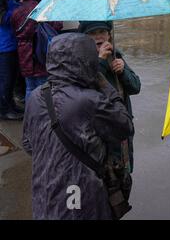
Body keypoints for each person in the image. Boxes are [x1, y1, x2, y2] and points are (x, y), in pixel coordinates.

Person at [23, 33, 134, 219]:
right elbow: (125, 126)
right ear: (86, 60)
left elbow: (28, 143)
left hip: (45, 194)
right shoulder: (88, 100)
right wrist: (106, 86)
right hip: (82, 198)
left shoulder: (35, 96)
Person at [78, 21, 141, 173]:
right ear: (85, 38)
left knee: (124, 170)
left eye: (102, 32)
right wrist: (100, 61)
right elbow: (86, 89)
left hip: (122, 126)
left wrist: (123, 71)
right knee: (104, 173)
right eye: (93, 33)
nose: (98, 36)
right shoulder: (82, 61)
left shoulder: (116, 56)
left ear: (109, 35)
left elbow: (135, 87)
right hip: (100, 131)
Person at [11, 0, 62, 101]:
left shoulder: (17, 10)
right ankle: (44, 115)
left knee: (30, 87)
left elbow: (15, 30)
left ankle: (30, 114)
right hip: (40, 51)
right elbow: (57, 26)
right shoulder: (44, 8)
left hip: (23, 52)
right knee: (44, 87)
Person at [0, 0, 26, 120]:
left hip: (12, 42)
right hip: (3, 45)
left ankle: (10, 104)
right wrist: (18, 10)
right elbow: (2, 18)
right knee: (5, 79)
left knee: (12, 78)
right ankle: (4, 110)